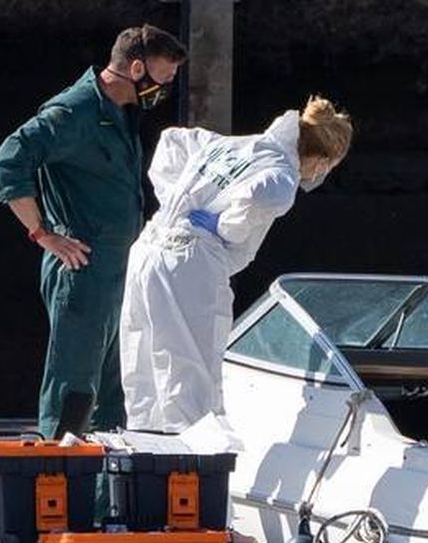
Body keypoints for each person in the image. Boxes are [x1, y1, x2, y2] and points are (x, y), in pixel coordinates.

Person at [0, 24, 186, 438]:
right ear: (136, 69)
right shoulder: (74, 113)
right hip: (83, 268)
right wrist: (43, 233)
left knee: (114, 389)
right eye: (164, 78)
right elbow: (6, 162)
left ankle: (104, 476)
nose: (165, 89)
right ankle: (56, 472)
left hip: (117, 270)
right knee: (73, 387)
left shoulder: (120, 113)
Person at [120, 96, 354, 432]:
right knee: (192, 373)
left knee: (143, 366)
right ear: (321, 160)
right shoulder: (282, 173)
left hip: (149, 247)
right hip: (190, 261)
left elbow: (173, 140)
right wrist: (227, 226)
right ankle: (191, 458)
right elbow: (262, 193)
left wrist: (176, 201)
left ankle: (146, 447)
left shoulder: (232, 145)